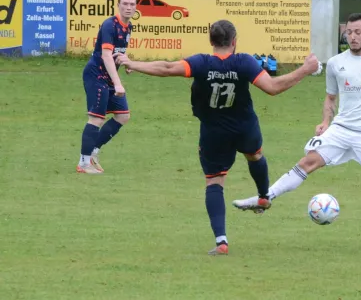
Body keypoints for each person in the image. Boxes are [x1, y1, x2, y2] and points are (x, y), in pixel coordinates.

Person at [233, 13, 361, 251]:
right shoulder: (336, 63)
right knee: (308, 162)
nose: (352, 37)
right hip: (341, 129)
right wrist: (325, 121)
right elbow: (331, 98)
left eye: (358, 32)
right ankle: (264, 198)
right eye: (349, 32)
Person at [115, 19, 320, 255]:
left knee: (214, 182)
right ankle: (264, 196)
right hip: (244, 127)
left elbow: (167, 68)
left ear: (211, 41)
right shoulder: (244, 62)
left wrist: (133, 63)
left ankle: (221, 242)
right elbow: (272, 87)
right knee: (254, 155)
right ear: (234, 41)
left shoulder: (201, 63)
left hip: (213, 132)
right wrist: (305, 69)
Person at [77, 0, 137, 174]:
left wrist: (126, 61)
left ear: (136, 7)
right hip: (96, 75)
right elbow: (105, 55)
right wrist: (118, 83)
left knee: (123, 116)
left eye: (132, 4)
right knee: (96, 118)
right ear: (118, 5)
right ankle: (83, 163)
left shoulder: (129, 27)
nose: (128, 7)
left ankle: (93, 151)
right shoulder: (109, 25)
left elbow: (116, 51)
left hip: (108, 76)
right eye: (125, 4)